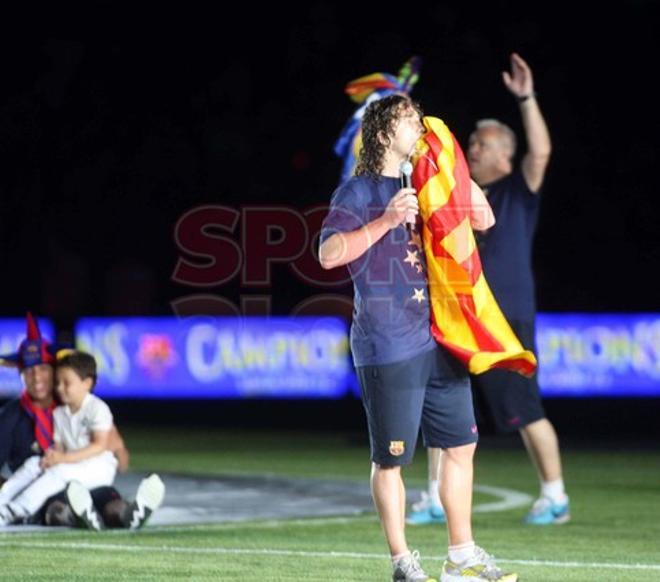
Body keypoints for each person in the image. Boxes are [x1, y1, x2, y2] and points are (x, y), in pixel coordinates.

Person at [320, 94, 517, 582]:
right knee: (391, 460)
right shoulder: (358, 191)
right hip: (388, 342)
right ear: (386, 134)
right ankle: (402, 561)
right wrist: (386, 219)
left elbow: (484, 220)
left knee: (460, 446)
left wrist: (451, 167)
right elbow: (328, 254)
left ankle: (461, 556)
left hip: (440, 335)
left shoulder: (431, 181)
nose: (421, 128)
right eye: (411, 122)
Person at [412, 53, 568, 528]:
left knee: (524, 407)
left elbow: (540, 152)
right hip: (459, 312)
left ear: (504, 153)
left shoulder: (518, 190)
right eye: (471, 143)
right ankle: (436, 497)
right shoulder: (461, 193)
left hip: (505, 315)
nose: (472, 150)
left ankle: (555, 496)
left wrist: (526, 97)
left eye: (480, 144)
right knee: (440, 401)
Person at [0, 319, 164, 529]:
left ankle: (130, 514)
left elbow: (109, 444)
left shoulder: (75, 402)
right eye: (28, 370)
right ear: (20, 374)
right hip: (48, 492)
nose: (36, 377)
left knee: (112, 507)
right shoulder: (10, 416)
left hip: (83, 473)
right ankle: (79, 516)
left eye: (43, 369)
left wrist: (119, 450)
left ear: (54, 369)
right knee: (57, 511)